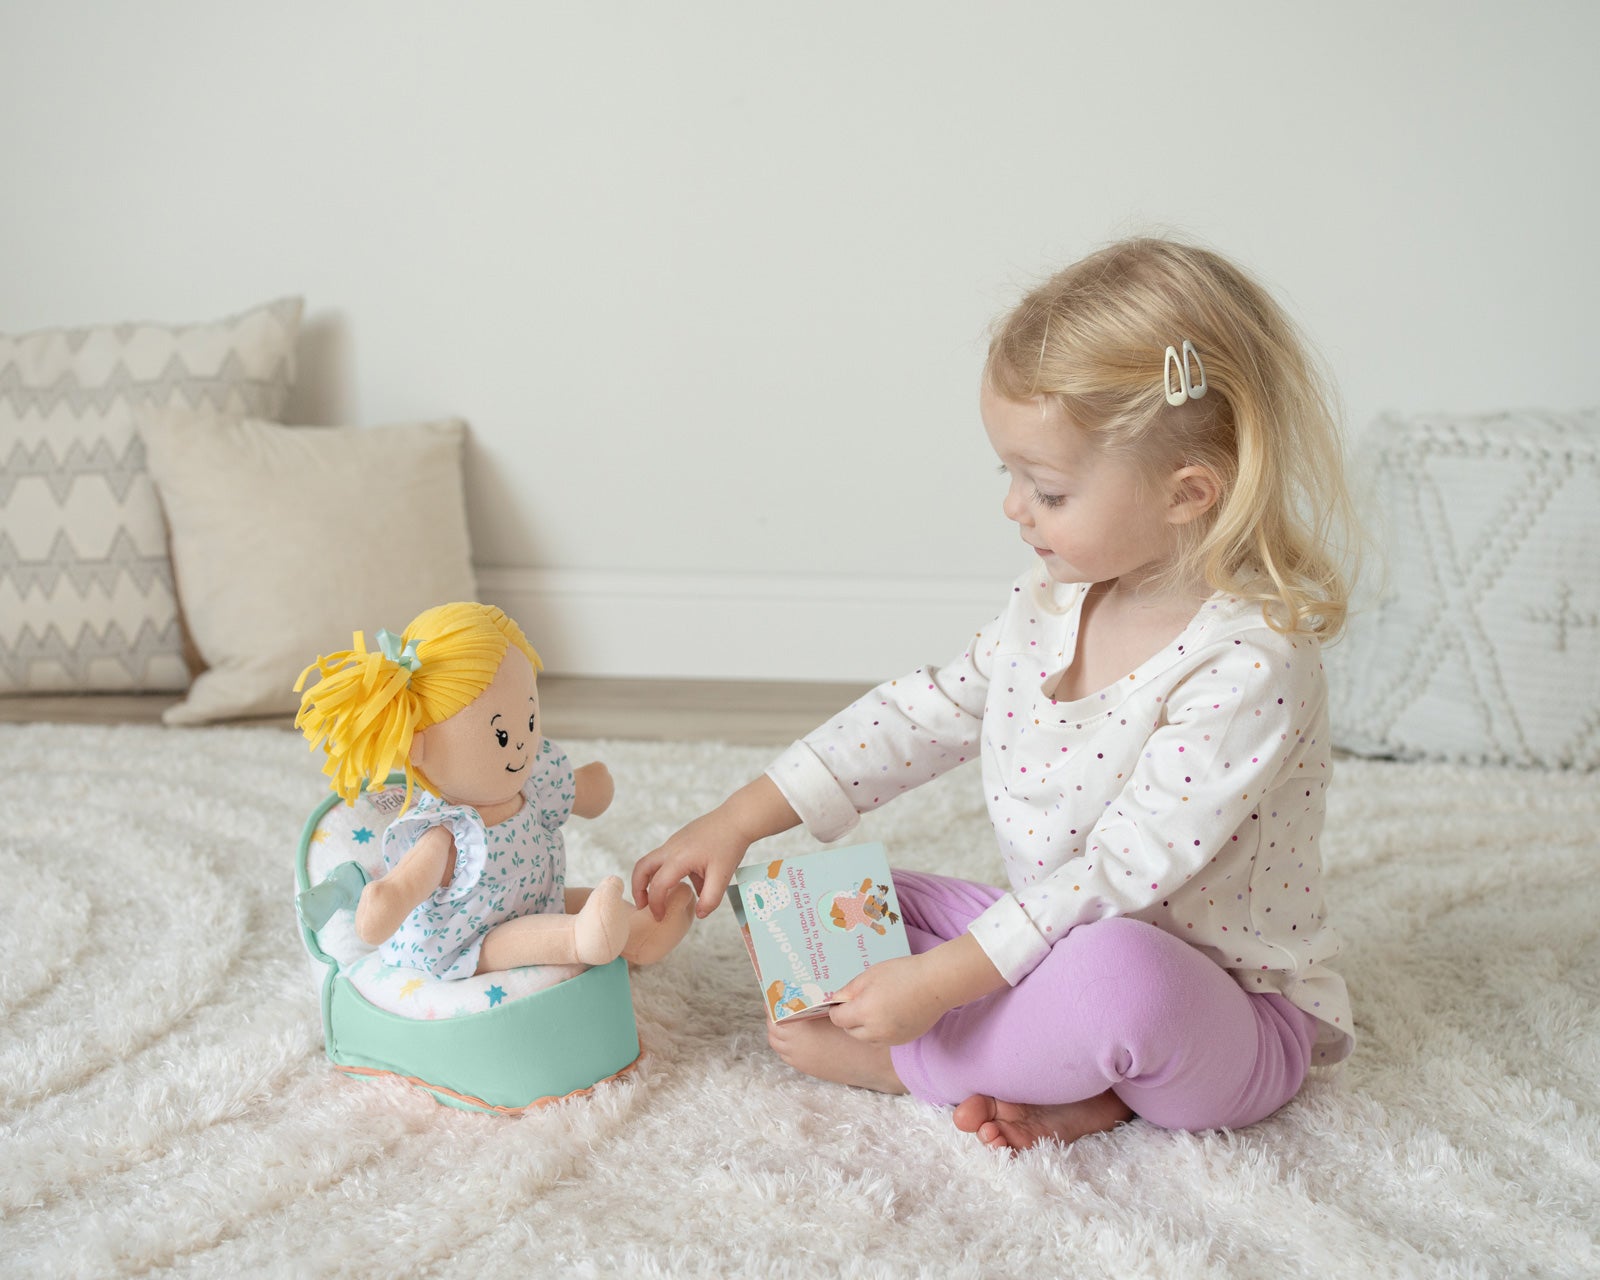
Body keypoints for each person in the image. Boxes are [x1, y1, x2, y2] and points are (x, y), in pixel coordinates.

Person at [632, 237, 1359, 1152]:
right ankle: (1074, 1082)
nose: (1014, 508)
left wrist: (936, 991)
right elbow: (920, 714)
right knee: (825, 898)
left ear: (1187, 493)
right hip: (1055, 938)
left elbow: (1119, 876)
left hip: (1216, 1008)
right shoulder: (1053, 602)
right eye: (1007, 475)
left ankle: (925, 1067)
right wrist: (739, 818)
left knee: (1117, 978)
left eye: (1047, 490)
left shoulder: (1251, 661)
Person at [295, 601, 695, 978]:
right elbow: (408, 883)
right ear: (419, 745)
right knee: (533, 935)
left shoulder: (532, 782)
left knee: (585, 901)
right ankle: (579, 940)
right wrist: (388, 899)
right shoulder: (448, 830)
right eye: (502, 734)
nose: (521, 742)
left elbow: (586, 793)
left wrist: (590, 787)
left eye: (530, 718)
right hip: (469, 940)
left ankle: (642, 932)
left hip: (538, 899)